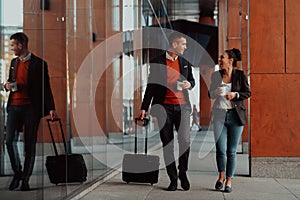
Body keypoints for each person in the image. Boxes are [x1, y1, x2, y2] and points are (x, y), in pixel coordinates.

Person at [140, 32, 195, 191]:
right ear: (174, 44)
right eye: (183, 44)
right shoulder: (157, 62)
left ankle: (182, 172)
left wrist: (189, 85)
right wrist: (144, 108)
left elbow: (192, 80)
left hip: (183, 106)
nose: (185, 47)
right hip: (163, 108)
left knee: (184, 140)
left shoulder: (185, 62)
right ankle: (173, 178)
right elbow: (150, 87)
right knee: (167, 144)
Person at [5, 32, 57, 191]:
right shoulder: (13, 62)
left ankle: (25, 179)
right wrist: (7, 86)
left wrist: (51, 108)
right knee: (8, 141)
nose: (11, 48)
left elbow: (46, 87)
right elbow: (12, 82)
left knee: (29, 144)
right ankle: (17, 172)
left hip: (30, 109)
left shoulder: (39, 64)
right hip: (14, 107)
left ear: (21, 45)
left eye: (13, 45)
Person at [208, 48, 251, 193]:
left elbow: (247, 92)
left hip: (236, 117)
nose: (220, 60)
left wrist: (235, 94)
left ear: (230, 60)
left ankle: (229, 180)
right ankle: (221, 176)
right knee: (221, 149)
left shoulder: (240, 75)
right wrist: (215, 92)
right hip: (219, 115)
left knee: (231, 151)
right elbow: (210, 94)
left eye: (222, 57)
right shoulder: (216, 75)